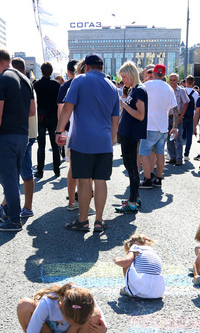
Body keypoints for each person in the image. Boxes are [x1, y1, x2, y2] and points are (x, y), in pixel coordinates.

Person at [56, 53, 119, 232]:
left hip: (82, 140)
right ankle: (99, 220)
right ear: (102, 67)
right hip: (104, 141)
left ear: (86, 67)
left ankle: (83, 220)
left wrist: (59, 131)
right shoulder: (112, 86)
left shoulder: (79, 80)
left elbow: (67, 107)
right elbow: (115, 119)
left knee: (84, 181)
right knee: (101, 180)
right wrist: (111, 140)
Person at [0, 48, 35, 232]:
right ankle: (9, 212)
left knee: (9, 180)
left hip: (4, 135)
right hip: (23, 134)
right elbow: (32, 111)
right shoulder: (25, 80)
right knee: (13, 177)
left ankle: (13, 219)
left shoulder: (0, 81)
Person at [139, 64, 178, 189]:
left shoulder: (146, 86)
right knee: (160, 153)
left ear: (154, 73)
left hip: (149, 126)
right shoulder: (169, 88)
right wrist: (175, 126)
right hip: (163, 127)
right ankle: (158, 179)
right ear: (164, 75)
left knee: (144, 152)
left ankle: (147, 179)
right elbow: (175, 109)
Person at [115, 62, 147, 214]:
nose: (123, 80)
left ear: (131, 74)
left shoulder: (139, 90)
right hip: (128, 133)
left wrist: (123, 104)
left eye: (124, 76)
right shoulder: (135, 90)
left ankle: (133, 201)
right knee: (130, 166)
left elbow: (141, 115)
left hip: (131, 134)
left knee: (132, 167)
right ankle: (135, 197)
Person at [114, 233, 165, 299]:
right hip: (158, 291)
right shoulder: (154, 252)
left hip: (140, 291)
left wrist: (116, 260)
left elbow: (126, 263)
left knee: (128, 264)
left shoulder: (135, 248)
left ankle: (128, 289)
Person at [57, 59, 79, 211]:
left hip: (70, 129)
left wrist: (61, 130)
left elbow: (61, 110)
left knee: (73, 166)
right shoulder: (73, 84)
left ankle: (73, 199)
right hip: (74, 130)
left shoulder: (66, 85)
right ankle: (74, 199)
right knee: (77, 167)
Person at [33, 61, 61, 178]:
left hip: (40, 117)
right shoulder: (56, 84)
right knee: (55, 146)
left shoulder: (36, 84)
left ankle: (40, 170)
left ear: (41, 71)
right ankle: (56, 170)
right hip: (53, 117)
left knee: (41, 146)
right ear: (51, 71)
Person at [167, 73, 189, 166]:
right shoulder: (166, 90)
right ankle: (173, 157)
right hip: (167, 117)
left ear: (177, 81)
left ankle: (179, 158)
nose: (172, 81)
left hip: (177, 117)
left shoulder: (181, 90)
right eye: (171, 80)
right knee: (169, 138)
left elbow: (186, 103)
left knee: (178, 138)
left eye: (174, 80)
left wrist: (181, 116)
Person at [183, 75, 199, 160]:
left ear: (185, 82)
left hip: (181, 116)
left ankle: (176, 153)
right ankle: (186, 154)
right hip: (191, 116)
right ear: (193, 83)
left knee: (178, 136)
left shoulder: (182, 91)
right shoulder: (195, 93)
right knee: (189, 136)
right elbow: (197, 108)